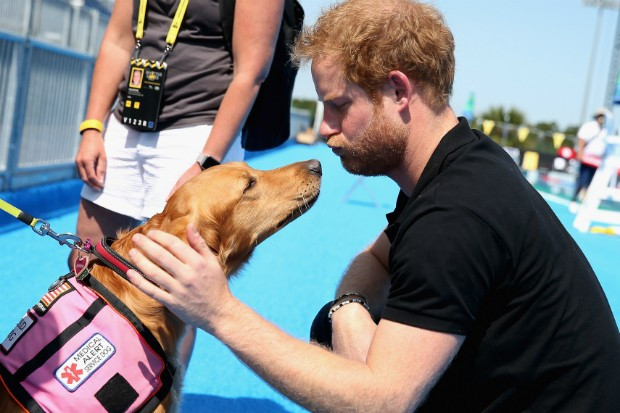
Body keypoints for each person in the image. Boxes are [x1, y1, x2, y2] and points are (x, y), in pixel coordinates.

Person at [124, 0, 620, 411]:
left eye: (339, 105)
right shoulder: (462, 159)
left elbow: (381, 404)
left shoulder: (455, 216)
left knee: (347, 374)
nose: (324, 128)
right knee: (332, 326)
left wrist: (221, 313)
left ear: (399, 91)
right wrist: (349, 309)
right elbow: (377, 258)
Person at [71, 0, 285, 267]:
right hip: (126, 122)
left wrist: (206, 161)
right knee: (85, 260)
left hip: (197, 133)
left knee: (173, 276)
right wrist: (92, 127)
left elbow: (250, 72)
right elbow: (117, 41)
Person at [569, 108, 609, 212]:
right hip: (587, 157)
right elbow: (582, 139)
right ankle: (574, 199)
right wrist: (580, 153)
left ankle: (585, 202)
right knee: (582, 179)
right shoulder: (589, 126)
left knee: (591, 182)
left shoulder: (606, 129)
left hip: (598, 161)